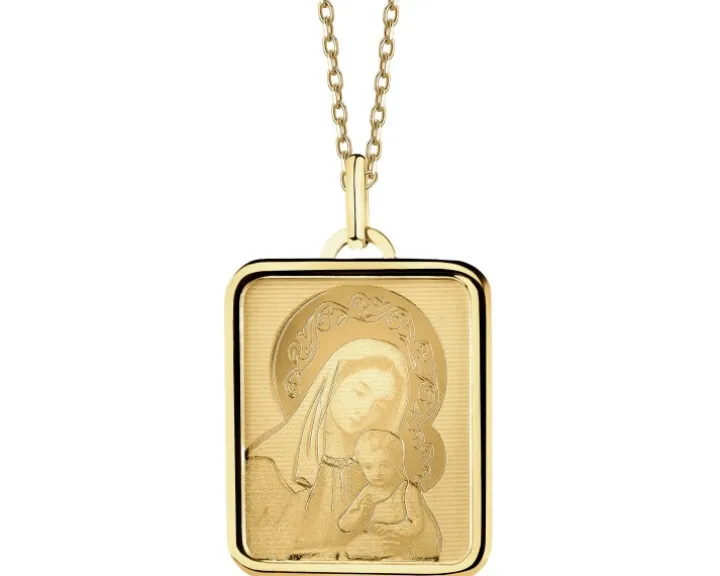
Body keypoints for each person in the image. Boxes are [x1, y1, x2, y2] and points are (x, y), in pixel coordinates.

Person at [244, 339, 410, 560]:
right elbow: (267, 553)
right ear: (333, 382)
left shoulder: (376, 479)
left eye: (379, 405)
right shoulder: (264, 471)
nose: (365, 410)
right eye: (360, 392)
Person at [338, 430, 441, 561]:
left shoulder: (407, 490)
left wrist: (390, 529)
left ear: (398, 463)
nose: (377, 473)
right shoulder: (367, 493)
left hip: (408, 542)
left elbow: (416, 526)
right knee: (353, 548)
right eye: (368, 466)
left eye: (385, 465)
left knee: (371, 549)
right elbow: (344, 525)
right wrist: (361, 511)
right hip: (381, 540)